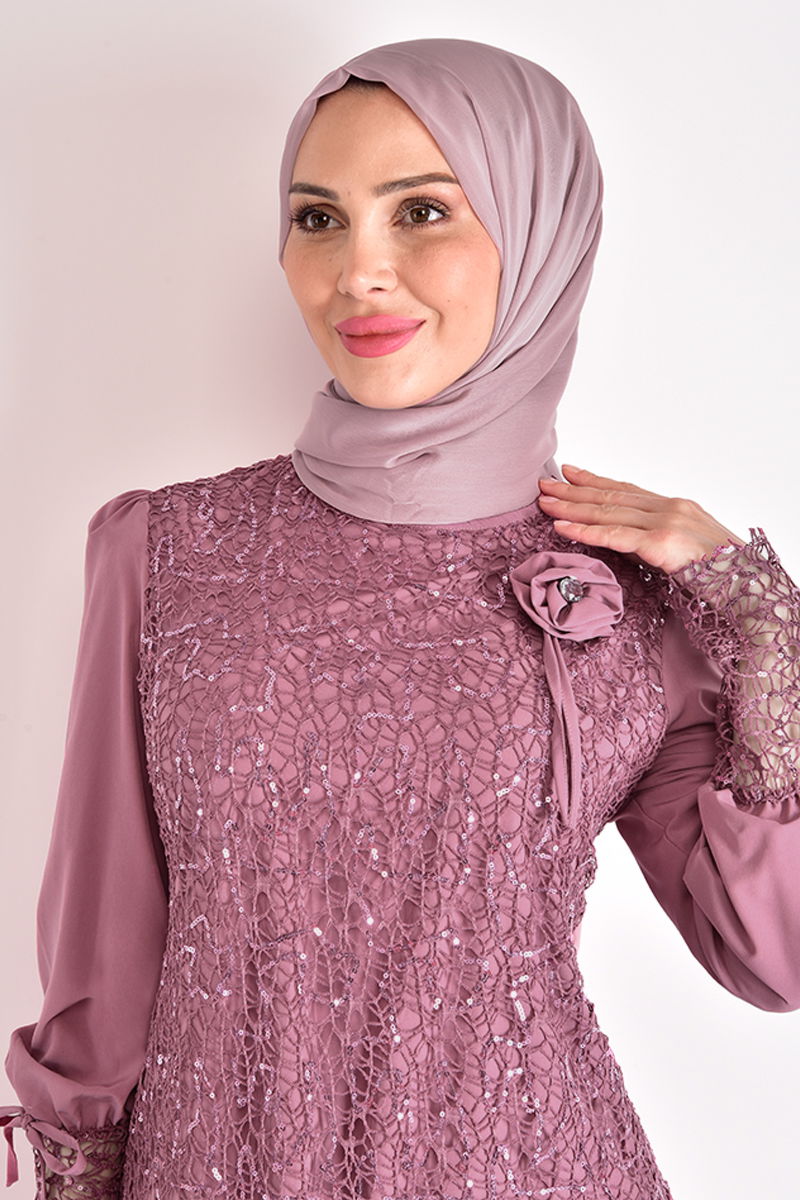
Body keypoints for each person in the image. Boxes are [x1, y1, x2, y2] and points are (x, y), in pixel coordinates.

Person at [2, 35, 799, 1200]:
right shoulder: (165, 551)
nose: (357, 271)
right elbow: (102, 946)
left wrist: (762, 622)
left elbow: (771, 959)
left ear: (538, 235)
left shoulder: (638, 599)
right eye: (317, 219)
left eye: (421, 211)